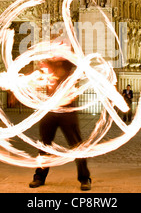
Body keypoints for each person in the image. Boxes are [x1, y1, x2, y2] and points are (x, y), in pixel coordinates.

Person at [29, 58, 91, 191]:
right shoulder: (49, 66)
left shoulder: (68, 65)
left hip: (67, 111)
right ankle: (39, 177)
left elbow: (77, 70)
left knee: (76, 145)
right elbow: (39, 78)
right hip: (50, 111)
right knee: (44, 145)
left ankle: (84, 178)